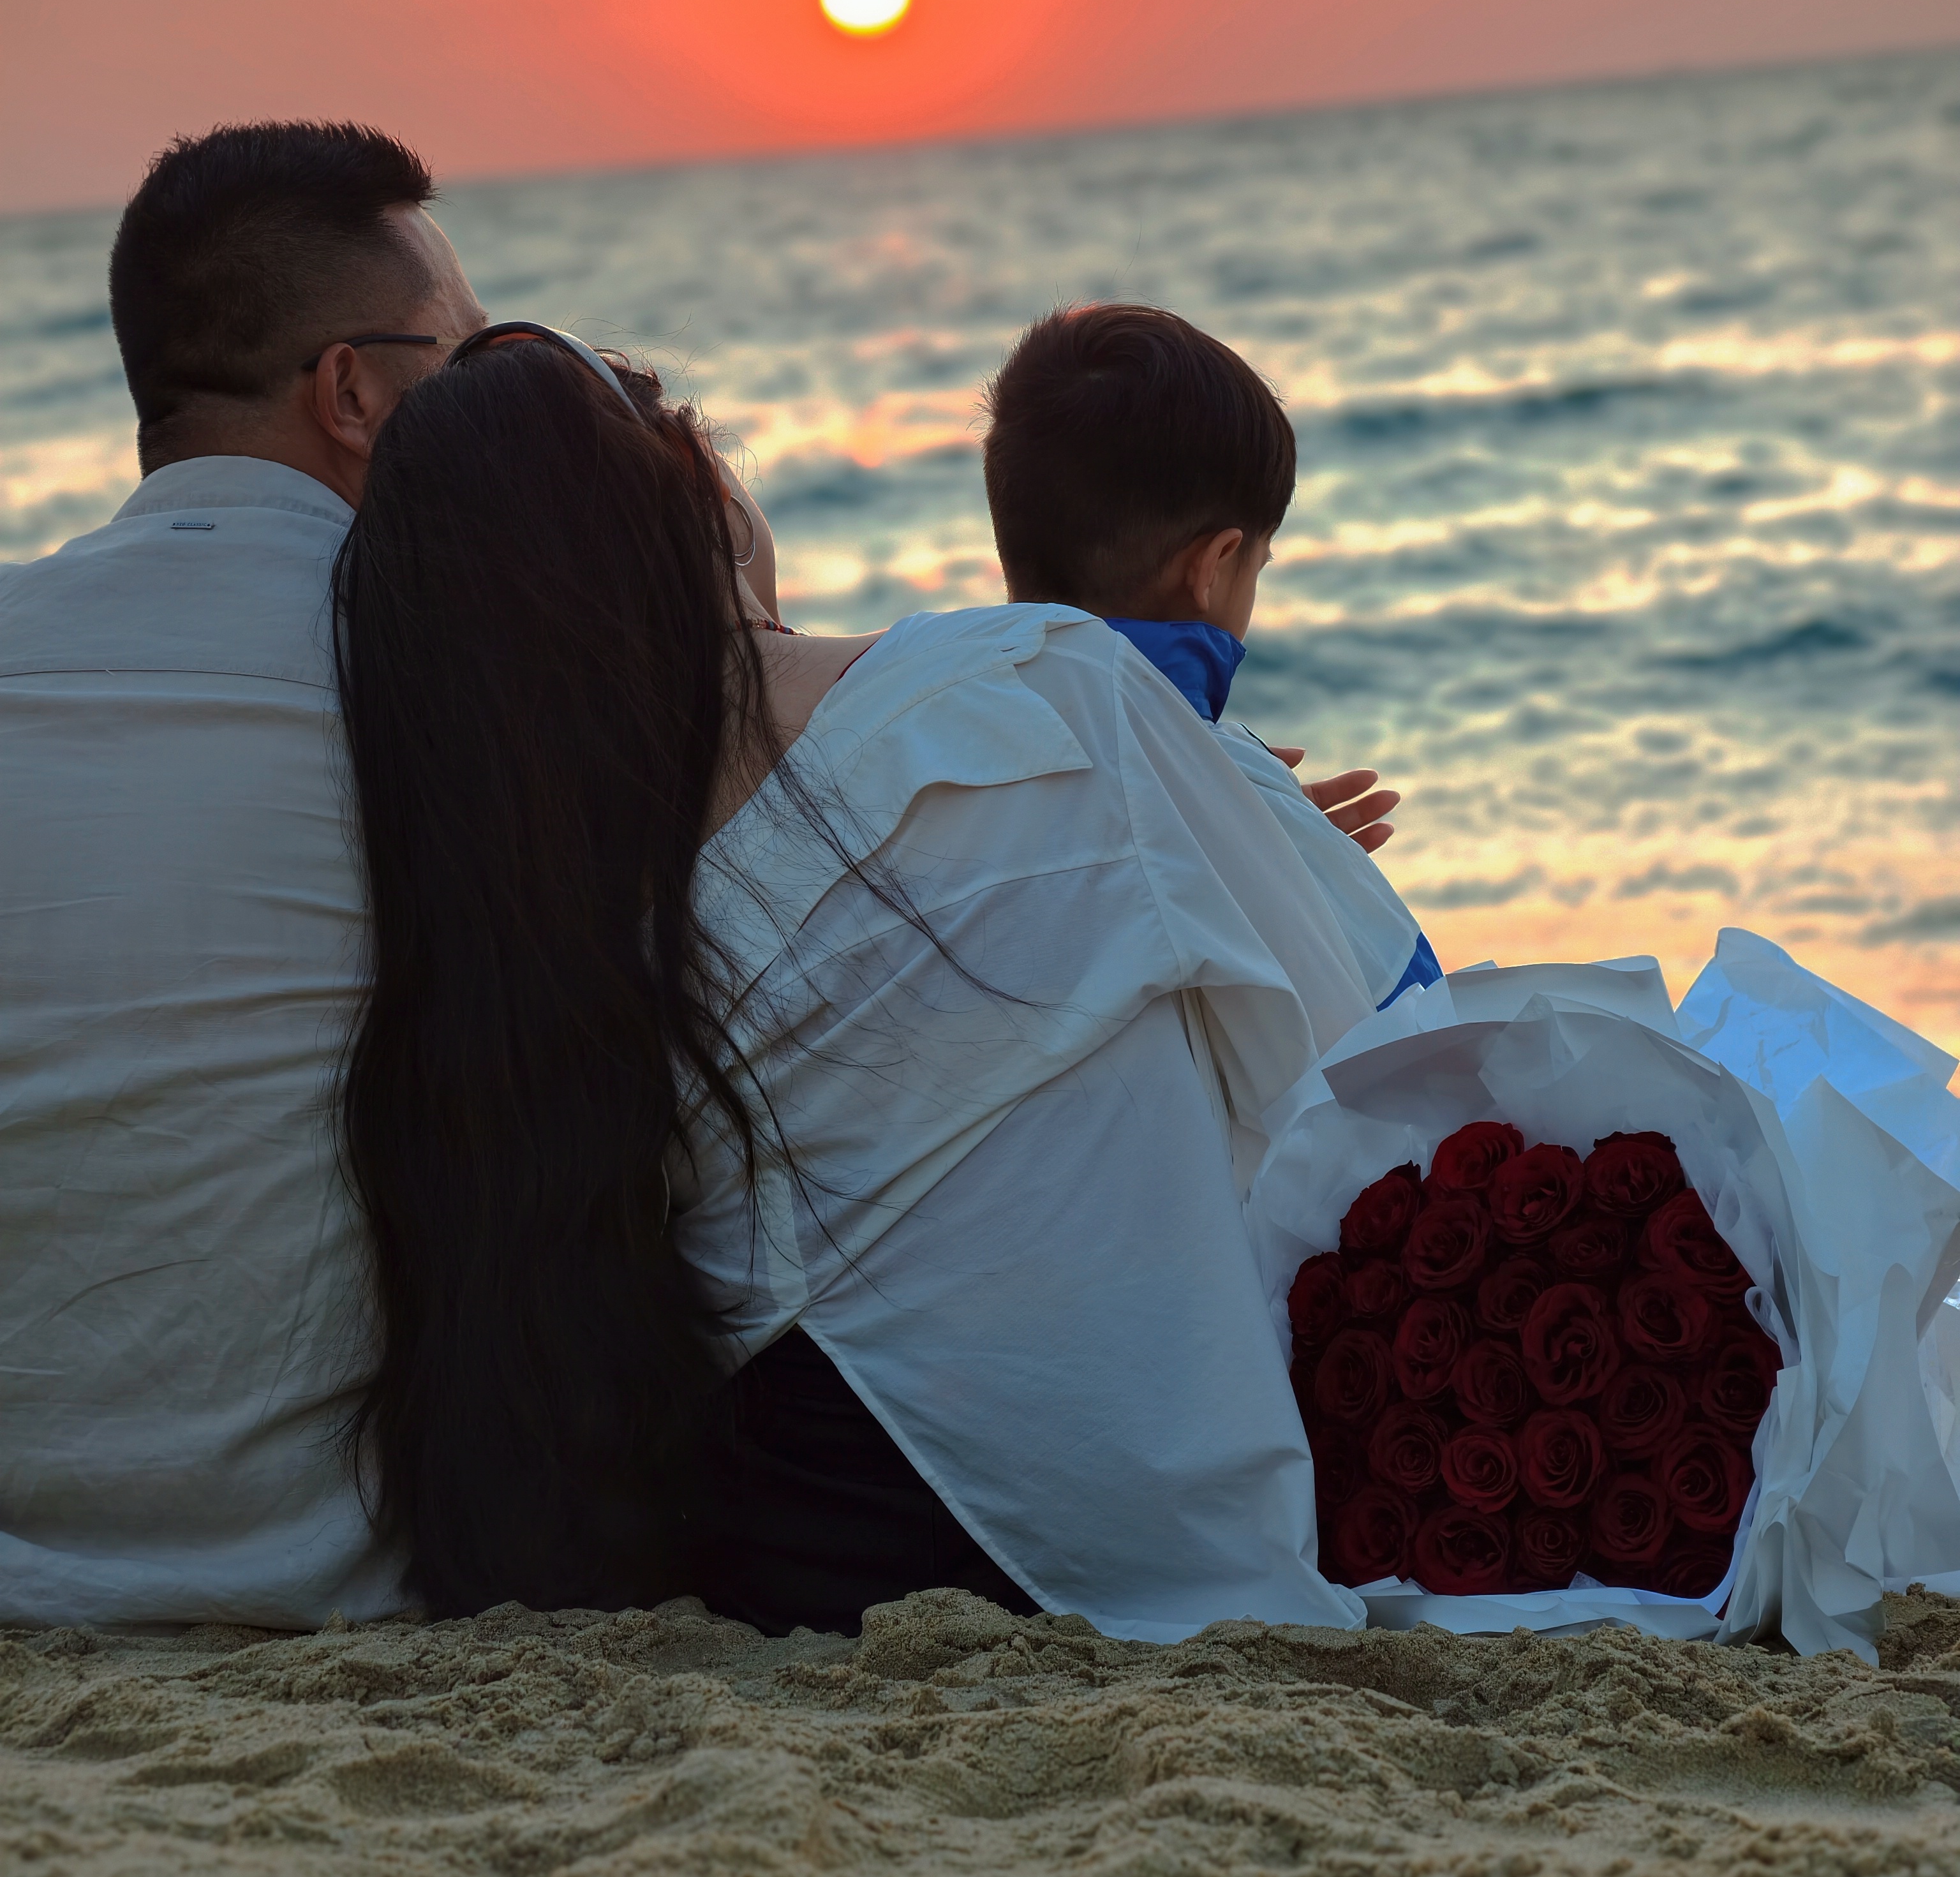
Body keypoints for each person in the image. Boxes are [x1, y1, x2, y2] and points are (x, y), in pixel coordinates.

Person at [329, 331, 1380, 1638]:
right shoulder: (1036, 686)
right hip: (1121, 1544)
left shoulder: (530, 941)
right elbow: (1335, 1080)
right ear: (703, 495)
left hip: (786, 1562)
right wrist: (1263, 837)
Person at [0, 120, 486, 1625]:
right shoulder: (457, 677)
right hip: (334, 1567)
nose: (485, 411)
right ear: (351, 392)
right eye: (463, 365)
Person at [983, 302, 1443, 1010]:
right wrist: (1302, 871)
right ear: (1215, 565)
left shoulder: (937, 746)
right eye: (1259, 564)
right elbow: (1424, 1035)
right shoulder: (1229, 790)